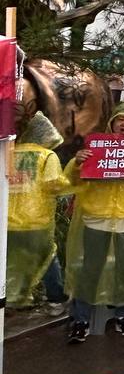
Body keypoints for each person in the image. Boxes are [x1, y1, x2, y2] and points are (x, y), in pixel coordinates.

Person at [65, 102, 124, 341]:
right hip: (98, 216)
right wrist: (77, 163)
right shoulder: (96, 147)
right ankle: (80, 317)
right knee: (89, 269)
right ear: (112, 122)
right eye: (120, 119)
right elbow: (73, 180)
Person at [8, 106, 70, 309]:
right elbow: (54, 184)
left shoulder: (11, 153)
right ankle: (55, 299)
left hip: (10, 221)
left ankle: (17, 299)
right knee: (48, 259)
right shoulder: (47, 156)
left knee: (15, 260)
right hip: (38, 221)